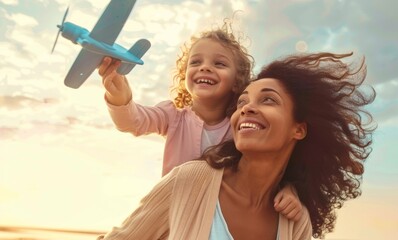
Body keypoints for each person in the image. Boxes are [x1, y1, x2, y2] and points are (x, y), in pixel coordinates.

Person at [96, 52, 376, 239]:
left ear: (299, 129)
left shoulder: (295, 220)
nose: (247, 109)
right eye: (242, 102)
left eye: (268, 100)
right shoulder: (190, 180)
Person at [98, 21, 302, 219]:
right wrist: (119, 96)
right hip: (173, 217)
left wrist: (287, 189)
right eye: (195, 62)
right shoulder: (172, 115)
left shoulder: (241, 128)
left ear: (237, 81)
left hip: (219, 222)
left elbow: (266, 166)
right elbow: (133, 121)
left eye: (219, 63)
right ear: (184, 74)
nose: (205, 68)